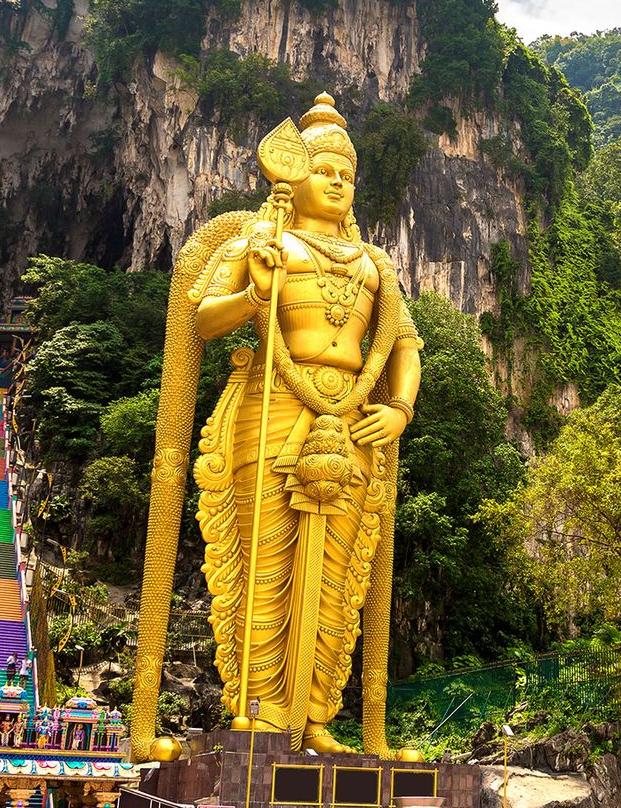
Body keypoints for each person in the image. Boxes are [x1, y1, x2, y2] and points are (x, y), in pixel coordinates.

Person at [132, 94, 424, 758]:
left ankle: (318, 717)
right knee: (266, 564)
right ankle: (261, 712)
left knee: (339, 577)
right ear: (292, 176)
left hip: (352, 423)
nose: (337, 182)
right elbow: (202, 318)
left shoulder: (377, 265)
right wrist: (255, 292)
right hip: (270, 406)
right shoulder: (261, 241)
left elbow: (404, 345)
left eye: (347, 174)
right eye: (324, 169)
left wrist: (398, 409)